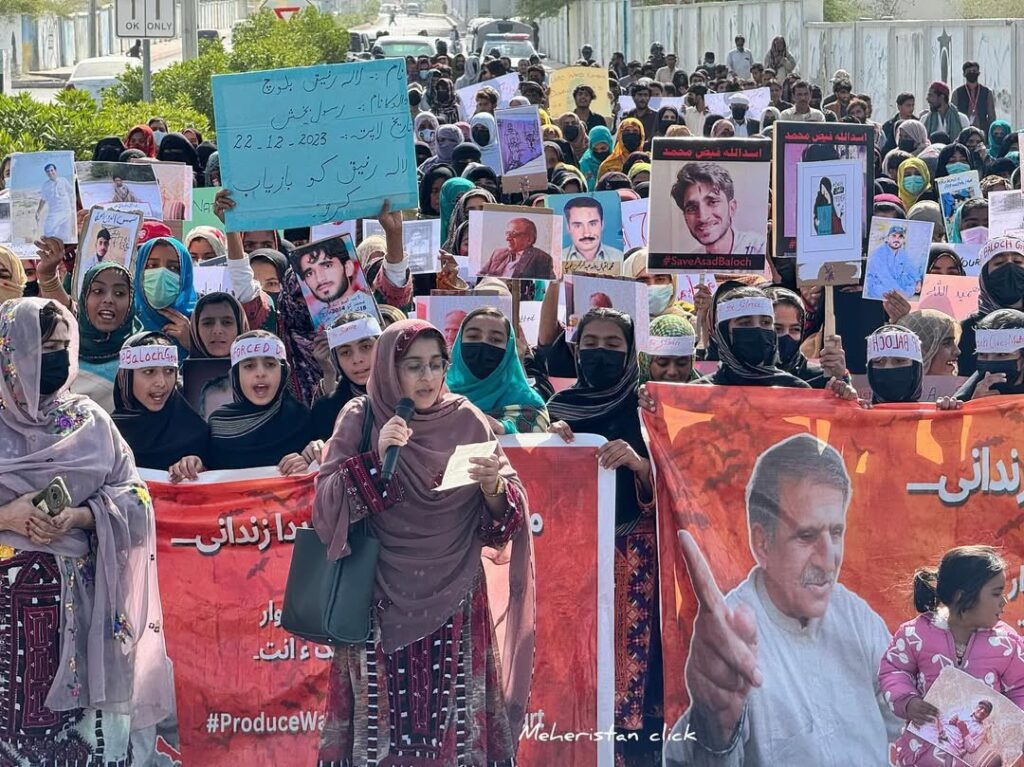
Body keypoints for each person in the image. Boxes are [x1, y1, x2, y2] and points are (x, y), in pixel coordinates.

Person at [313, 319, 534, 766]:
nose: (428, 378)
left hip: (455, 600)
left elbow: (506, 515)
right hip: (378, 598)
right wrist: (376, 457)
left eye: (436, 365)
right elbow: (325, 506)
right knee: (380, 739)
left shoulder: (467, 419)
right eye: (414, 366)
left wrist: (493, 489)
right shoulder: (362, 416)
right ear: (390, 369)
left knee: (455, 734)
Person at [0, 298, 174, 763]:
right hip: (5, 623)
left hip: (82, 617)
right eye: (43, 346)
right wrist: (7, 517)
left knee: (78, 745)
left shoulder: (88, 420)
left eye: (62, 345)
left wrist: (80, 517)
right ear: (11, 350)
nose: (55, 356)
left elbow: (135, 497)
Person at [664, 433, 902, 766]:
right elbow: (691, 756)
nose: (828, 558)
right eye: (806, 536)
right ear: (762, 543)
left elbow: (910, 722)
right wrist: (712, 728)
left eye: (836, 532)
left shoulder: (857, 618)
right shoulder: (731, 637)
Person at [546, 308, 662, 763]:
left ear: (631, 352)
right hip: (573, 558)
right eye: (590, 344)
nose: (601, 353)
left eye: (613, 345)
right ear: (575, 350)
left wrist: (639, 463)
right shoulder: (556, 409)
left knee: (634, 667)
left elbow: (678, 484)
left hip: (635, 555)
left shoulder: (648, 407)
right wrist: (550, 445)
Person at [879, 546, 1024, 766]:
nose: (1003, 602)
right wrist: (908, 701)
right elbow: (894, 669)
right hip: (920, 758)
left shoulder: (1007, 644)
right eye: (996, 593)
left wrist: (1017, 728)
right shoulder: (915, 634)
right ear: (962, 596)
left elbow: (1021, 687)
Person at [169, 331, 313, 479]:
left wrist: (308, 460)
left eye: (270, 364)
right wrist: (193, 464)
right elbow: (208, 472)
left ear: (284, 372)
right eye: (249, 366)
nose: (260, 373)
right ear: (236, 375)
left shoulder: (302, 418)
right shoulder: (219, 424)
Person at [112, 330, 210, 470]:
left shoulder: (195, 431)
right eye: (149, 371)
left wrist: (197, 466)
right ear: (126, 377)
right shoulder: (107, 435)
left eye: (169, 371)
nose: (162, 382)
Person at [447, 306, 550, 434]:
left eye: (495, 339)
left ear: (509, 350)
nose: (483, 344)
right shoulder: (436, 394)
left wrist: (504, 427)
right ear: (458, 343)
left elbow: (536, 428)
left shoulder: (528, 403)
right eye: (473, 336)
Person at [697, 287, 813, 387]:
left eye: (766, 322)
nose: (758, 330)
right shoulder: (698, 393)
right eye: (745, 323)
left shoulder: (795, 388)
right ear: (723, 333)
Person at [75, 261, 142, 412]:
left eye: (119, 293)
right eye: (98, 291)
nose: (108, 300)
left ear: (131, 302)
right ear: (84, 297)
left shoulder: (143, 351)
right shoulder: (63, 353)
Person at [309, 312, 382, 444]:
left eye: (366, 347)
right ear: (336, 359)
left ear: (382, 347)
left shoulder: (406, 401)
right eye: (345, 352)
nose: (357, 359)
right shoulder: (325, 410)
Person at [957, 236, 1024, 377]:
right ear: (985, 276)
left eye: (1018, 262)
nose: (1010, 267)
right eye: (999, 263)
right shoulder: (967, 329)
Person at [671, 162, 766, 256]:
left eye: (712, 202)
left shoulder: (760, 250)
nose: (703, 217)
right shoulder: (689, 263)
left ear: (731, 208)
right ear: (685, 218)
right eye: (692, 208)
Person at [765, 286, 849, 388]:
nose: (786, 335)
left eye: (795, 329)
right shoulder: (742, 375)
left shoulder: (819, 377)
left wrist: (839, 379)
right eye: (777, 329)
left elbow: (846, 402)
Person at [955, 308, 1024, 400]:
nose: (990, 361)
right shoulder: (967, 396)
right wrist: (974, 405)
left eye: (1001, 354)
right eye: (983, 354)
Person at [479, 217, 555, 279]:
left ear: (529, 239)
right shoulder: (498, 253)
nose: (508, 238)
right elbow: (480, 276)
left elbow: (548, 284)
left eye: (513, 234)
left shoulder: (541, 258)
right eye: (507, 233)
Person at [896, 309, 961, 376]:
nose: (957, 351)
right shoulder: (896, 386)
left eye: (955, 342)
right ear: (922, 350)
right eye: (947, 343)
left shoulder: (963, 385)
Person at [562, 195, 623, 266]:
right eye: (578, 226)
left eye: (592, 224)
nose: (586, 234)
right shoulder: (555, 261)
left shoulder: (620, 258)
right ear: (568, 228)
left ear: (602, 224)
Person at [867, 222, 924, 299]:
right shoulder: (879, 253)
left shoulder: (902, 253)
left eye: (900, 237)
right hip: (880, 283)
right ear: (887, 238)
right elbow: (884, 276)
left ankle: (901, 295)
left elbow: (910, 267)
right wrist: (899, 292)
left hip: (896, 282)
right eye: (894, 236)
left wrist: (918, 281)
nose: (897, 239)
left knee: (911, 282)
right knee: (880, 290)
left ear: (903, 240)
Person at [638, 314, 699, 383]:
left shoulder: (707, 392)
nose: (672, 372)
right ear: (646, 362)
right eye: (662, 363)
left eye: (682, 363)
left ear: (691, 362)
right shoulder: (627, 391)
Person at [951, 61, 997, 133]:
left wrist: (990, 132)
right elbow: (953, 115)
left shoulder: (987, 92)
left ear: (978, 73)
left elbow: (992, 117)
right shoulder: (957, 93)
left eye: (974, 71)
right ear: (964, 74)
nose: (972, 73)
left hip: (982, 131)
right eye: (969, 71)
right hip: (962, 131)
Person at [34, 162, 75, 242]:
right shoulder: (45, 185)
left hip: (66, 211)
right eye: (48, 171)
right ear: (46, 173)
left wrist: (73, 208)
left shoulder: (63, 180)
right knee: (47, 230)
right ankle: (51, 248)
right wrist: (38, 211)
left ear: (55, 170)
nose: (50, 173)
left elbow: (72, 192)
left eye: (52, 170)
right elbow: (43, 199)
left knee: (66, 234)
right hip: (54, 212)